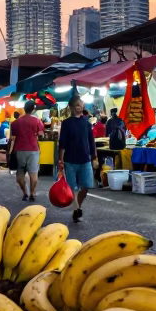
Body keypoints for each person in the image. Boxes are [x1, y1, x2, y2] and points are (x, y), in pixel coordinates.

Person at [57, 95, 98, 223]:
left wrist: (94, 158)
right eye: (77, 106)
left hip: (85, 159)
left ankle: (77, 206)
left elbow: (91, 141)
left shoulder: (86, 123)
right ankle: (76, 208)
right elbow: (62, 143)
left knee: (86, 186)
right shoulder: (66, 123)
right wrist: (61, 161)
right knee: (73, 187)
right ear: (71, 107)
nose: (80, 108)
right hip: (70, 160)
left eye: (81, 105)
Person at [8, 100, 44, 201]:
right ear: (33, 109)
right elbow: (41, 134)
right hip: (33, 149)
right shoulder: (37, 121)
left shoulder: (15, 123)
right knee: (33, 174)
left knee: (20, 176)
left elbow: (13, 137)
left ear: (24, 109)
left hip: (19, 150)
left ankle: (25, 192)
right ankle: (32, 193)